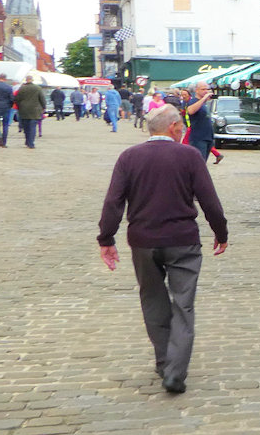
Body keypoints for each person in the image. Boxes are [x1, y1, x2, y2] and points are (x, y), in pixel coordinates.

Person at [96, 104, 228, 394]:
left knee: (153, 300)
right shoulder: (190, 156)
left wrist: (106, 238)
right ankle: (175, 371)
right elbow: (209, 200)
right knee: (184, 304)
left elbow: (113, 202)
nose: (183, 130)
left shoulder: (129, 157)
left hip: (143, 241)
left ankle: (164, 360)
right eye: (181, 125)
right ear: (173, 127)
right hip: (183, 241)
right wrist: (221, 232)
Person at [13, 75, 46, 148]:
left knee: (26, 127)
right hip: (35, 111)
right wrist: (44, 107)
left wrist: (20, 106)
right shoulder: (38, 88)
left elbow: (17, 99)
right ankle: (31, 143)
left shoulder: (22, 88)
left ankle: (27, 141)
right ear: (32, 80)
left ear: (26, 80)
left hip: (24, 110)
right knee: (32, 127)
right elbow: (42, 99)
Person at [185, 83, 216, 160]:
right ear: (196, 90)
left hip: (208, 137)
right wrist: (204, 99)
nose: (206, 91)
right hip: (198, 138)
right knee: (199, 162)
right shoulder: (193, 101)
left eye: (207, 89)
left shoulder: (205, 103)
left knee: (203, 162)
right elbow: (190, 111)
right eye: (203, 89)